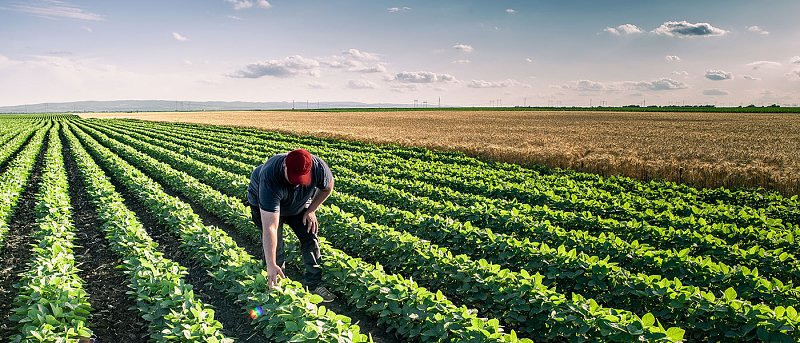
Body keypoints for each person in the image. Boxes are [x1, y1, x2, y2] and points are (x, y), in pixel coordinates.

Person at [247, 148, 336, 302]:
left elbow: (327, 187)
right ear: (285, 166)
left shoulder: (318, 168)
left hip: (298, 204)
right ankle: (276, 287)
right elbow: (270, 228)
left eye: (302, 178)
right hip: (266, 205)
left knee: (310, 236)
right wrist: (271, 264)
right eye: (294, 177)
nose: (297, 181)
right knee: (276, 246)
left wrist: (311, 209)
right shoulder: (270, 177)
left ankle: (315, 285)